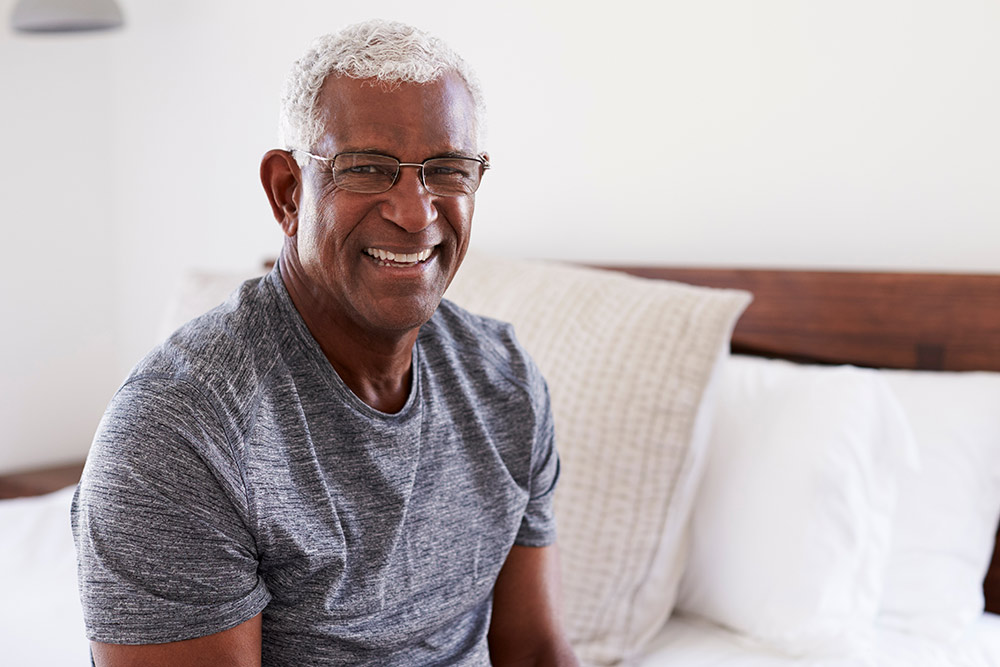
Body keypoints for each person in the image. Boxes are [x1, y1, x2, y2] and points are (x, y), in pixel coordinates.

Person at [71, 19, 579, 667]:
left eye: (447, 169)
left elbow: (534, 650)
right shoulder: (175, 434)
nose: (416, 212)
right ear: (288, 192)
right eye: (367, 169)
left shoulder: (504, 382)